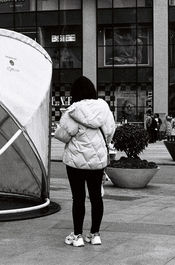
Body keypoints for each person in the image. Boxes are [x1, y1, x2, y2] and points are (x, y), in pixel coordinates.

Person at [58, 76, 115, 247]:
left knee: (78, 198)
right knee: (96, 197)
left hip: (75, 161)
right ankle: (95, 234)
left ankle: (77, 236)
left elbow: (62, 135)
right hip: (97, 161)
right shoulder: (104, 108)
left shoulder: (72, 111)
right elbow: (110, 132)